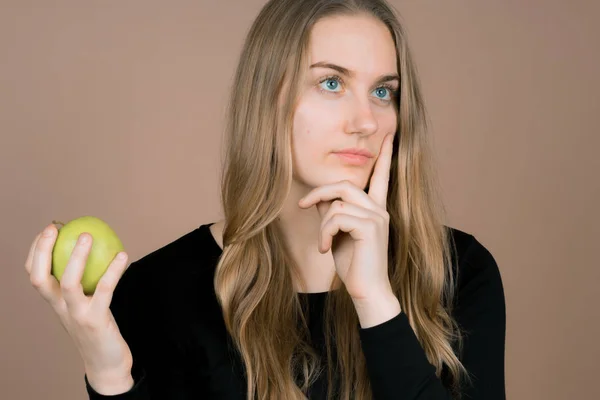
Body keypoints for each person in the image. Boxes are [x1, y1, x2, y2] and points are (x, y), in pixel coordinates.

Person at [24, 0, 506, 399]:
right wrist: (110, 374)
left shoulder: (457, 271)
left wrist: (375, 300)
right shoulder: (159, 290)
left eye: (383, 91)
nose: (366, 120)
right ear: (266, 97)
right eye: (331, 83)